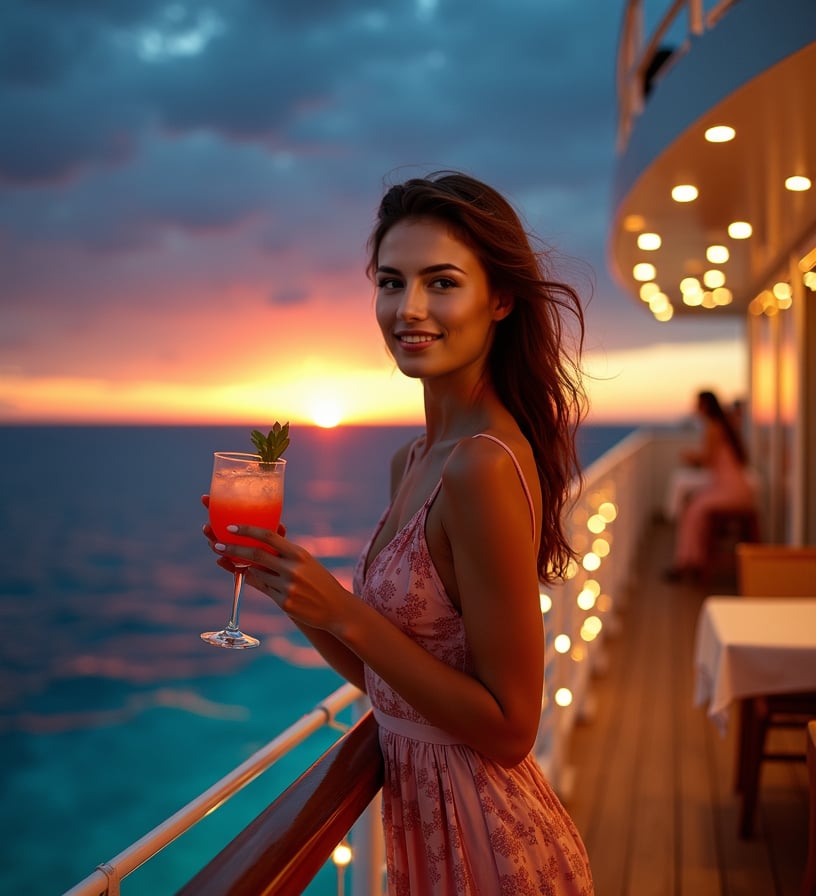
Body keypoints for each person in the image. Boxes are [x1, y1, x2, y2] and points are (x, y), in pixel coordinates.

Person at [203, 171, 594, 894]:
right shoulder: (413, 460)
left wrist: (345, 611)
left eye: (441, 282)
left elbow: (512, 729)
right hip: (426, 835)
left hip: (485, 843)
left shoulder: (480, 466)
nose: (409, 308)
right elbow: (390, 684)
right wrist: (288, 585)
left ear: (500, 299)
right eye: (391, 282)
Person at [663, 389, 758, 582]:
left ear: (705, 406)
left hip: (731, 491)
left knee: (693, 511)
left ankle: (687, 563)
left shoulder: (713, 427)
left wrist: (690, 457)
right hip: (737, 489)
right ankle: (692, 561)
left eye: (698, 404)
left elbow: (707, 459)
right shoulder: (724, 426)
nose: (695, 408)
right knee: (694, 509)